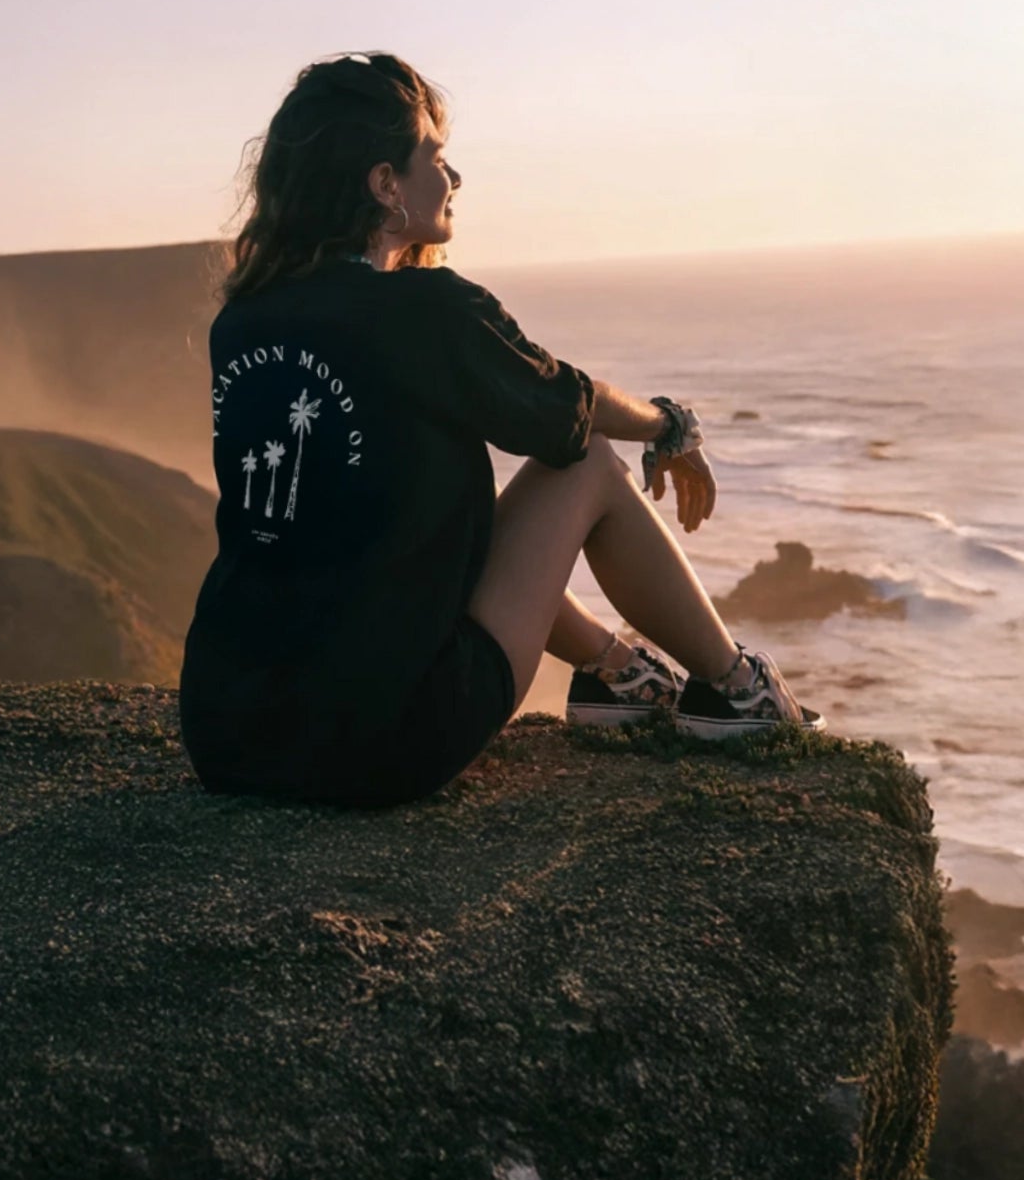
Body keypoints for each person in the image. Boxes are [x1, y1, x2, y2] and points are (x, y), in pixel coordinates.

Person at [178, 52, 824, 811]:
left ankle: (618, 673)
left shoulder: (242, 322)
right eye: (437, 159)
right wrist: (669, 423)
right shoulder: (425, 311)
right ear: (385, 184)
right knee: (584, 464)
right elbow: (569, 409)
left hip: (229, 730)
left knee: (421, 513)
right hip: (380, 740)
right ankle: (737, 692)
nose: (453, 179)